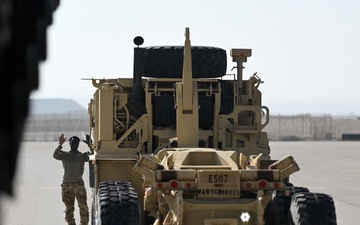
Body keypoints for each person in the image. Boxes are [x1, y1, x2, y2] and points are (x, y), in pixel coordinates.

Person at [53, 133, 90, 225]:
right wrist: (60, 145)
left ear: (78, 145)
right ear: (69, 144)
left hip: (78, 185)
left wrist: (91, 146)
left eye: (76, 144)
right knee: (69, 209)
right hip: (67, 185)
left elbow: (93, 156)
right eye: (72, 143)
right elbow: (55, 155)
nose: (74, 145)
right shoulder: (65, 155)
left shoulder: (82, 156)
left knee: (83, 207)